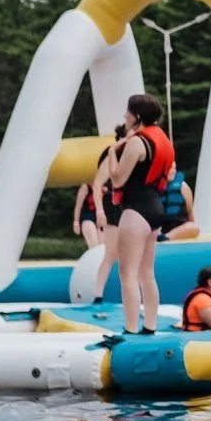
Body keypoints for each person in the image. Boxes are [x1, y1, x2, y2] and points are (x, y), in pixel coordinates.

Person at [106, 95, 175, 336]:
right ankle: (150, 326)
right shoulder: (163, 140)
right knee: (147, 272)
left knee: (127, 273)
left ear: (137, 117)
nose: (125, 116)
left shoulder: (136, 144)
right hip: (156, 209)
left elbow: (117, 178)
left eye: (128, 112)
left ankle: (131, 328)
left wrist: (112, 152)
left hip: (135, 210)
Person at [88, 125, 126, 304]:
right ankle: (98, 294)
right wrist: (100, 211)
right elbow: (97, 185)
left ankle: (126, 293)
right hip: (114, 204)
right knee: (111, 252)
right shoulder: (113, 154)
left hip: (130, 204)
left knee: (127, 253)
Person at [157, 164, 200, 242]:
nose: (173, 171)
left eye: (174, 168)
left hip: (178, 229)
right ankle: (159, 236)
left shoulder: (183, 187)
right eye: (170, 168)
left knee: (194, 227)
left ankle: (165, 237)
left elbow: (190, 214)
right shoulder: (151, 188)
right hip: (158, 229)